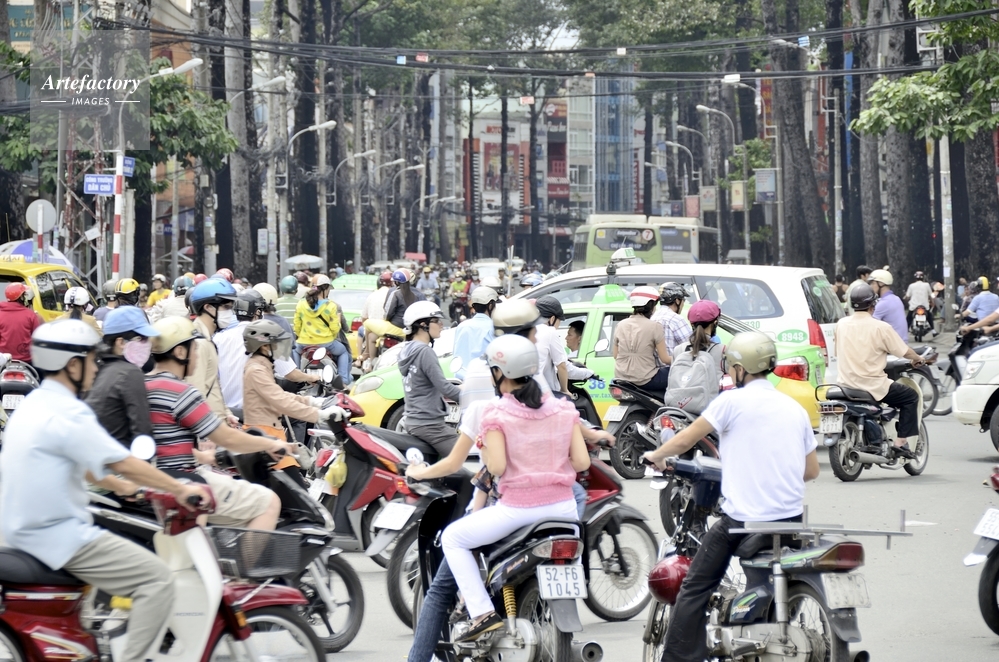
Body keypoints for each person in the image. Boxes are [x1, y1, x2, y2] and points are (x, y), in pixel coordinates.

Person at [0, 319, 210, 662]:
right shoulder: (70, 412)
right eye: (90, 359)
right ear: (72, 365)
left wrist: (121, 486)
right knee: (157, 579)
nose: (96, 367)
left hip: (21, 529)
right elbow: (123, 461)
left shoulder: (34, 404)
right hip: (58, 535)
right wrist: (179, 488)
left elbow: (80, 461)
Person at [642, 331, 820, 662]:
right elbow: (811, 470)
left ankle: (680, 658)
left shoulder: (730, 402)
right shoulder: (794, 408)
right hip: (790, 521)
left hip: (743, 522)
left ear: (739, 369)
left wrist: (657, 455)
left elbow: (686, 439)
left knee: (694, 587)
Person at [440, 334, 590, 640]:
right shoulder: (563, 410)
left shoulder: (496, 414)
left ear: (499, 373)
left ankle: (481, 613)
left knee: (453, 538)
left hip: (518, 510)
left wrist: (486, 445)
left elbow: (496, 468)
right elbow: (581, 462)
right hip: (565, 511)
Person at [146, 316, 291, 529]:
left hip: (154, 477)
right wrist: (271, 444)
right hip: (183, 479)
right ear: (180, 352)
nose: (197, 355)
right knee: (268, 502)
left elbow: (162, 442)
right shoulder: (182, 392)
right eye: (195, 349)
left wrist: (203, 456)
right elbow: (226, 438)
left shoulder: (144, 385)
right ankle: (248, 553)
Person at [836, 284, 925, 458]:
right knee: (910, 397)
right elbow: (903, 351)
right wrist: (917, 358)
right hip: (872, 385)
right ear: (873, 305)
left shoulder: (841, 324)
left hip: (845, 384)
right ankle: (900, 443)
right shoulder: (880, 327)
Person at [241, 319, 348, 433]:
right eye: (277, 343)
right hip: (264, 432)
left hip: (269, 429)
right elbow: (281, 401)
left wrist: (312, 401)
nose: (280, 347)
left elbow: (280, 395)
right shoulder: (256, 371)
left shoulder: (263, 366)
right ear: (265, 346)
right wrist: (319, 415)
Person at [86, 306, 160, 448]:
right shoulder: (130, 373)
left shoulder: (98, 367)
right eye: (141, 339)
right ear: (120, 343)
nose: (147, 344)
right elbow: (142, 432)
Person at [398, 301, 463, 456]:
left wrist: (465, 389)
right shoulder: (424, 352)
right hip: (429, 425)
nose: (441, 324)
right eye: (436, 321)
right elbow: (444, 388)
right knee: (463, 454)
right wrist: (474, 399)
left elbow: (426, 383)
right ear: (423, 325)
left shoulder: (407, 350)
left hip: (413, 421)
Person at [186, 277, 239, 424]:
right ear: (208, 307)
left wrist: (226, 413)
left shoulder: (207, 338)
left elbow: (212, 384)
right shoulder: (199, 343)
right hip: (208, 428)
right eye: (226, 307)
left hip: (216, 423)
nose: (230, 313)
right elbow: (196, 395)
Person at [292, 274, 353, 386]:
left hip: (304, 343)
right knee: (343, 351)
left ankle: (297, 378)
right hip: (327, 343)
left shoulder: (301, 304)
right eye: (329, 289)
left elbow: (297, 326)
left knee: (295, 350)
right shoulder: (331, 306)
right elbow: (335, 328)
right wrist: (330, 336)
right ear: (325, 289)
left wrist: (303, 336)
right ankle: (343, 381)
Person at [613, 286, 671, 394]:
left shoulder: (620, 325)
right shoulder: (655, 326)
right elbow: (665, 359)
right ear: (651, 305)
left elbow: (616, 355)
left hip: (621, 378)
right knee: (677, 372)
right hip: (645, 379)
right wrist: (681, 359)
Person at [360, 268, 424, 365]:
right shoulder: (419, 295)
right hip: (412, 330)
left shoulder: (394, 292)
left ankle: (368, 357)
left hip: (395, 327)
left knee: (367, 324)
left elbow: (387, 313)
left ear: (396, 282)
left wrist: (387, 320)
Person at [452, 286, 499, 379]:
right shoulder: (492, 327)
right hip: (483, 379)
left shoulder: (462, 326)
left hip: (460, 380)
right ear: (490, 305)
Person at [534, 296, 570, 396]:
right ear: (552, 318)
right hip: (543, 392)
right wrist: (564, 390)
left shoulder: (527, 328)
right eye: (559, 320)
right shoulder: (550, 331)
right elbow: (562, 366)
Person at [0, 283, 43, 361]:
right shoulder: (30, 315)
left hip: (4, 361)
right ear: (21, 297)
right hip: (26, 361)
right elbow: (38, 337)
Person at [651, 282, 693, 358]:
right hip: (675, 363)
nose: (683, 304)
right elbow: (691, 345)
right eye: (683, 300)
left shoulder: (653, 317)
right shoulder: (676, 319)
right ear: (677, 301)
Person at [870, 269, 908, 341]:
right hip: (901, 342)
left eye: (873, 283)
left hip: (893, 344)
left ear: (881, 284)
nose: (871, 286)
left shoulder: (884, 303)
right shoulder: (896, 299)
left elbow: (870, 325)